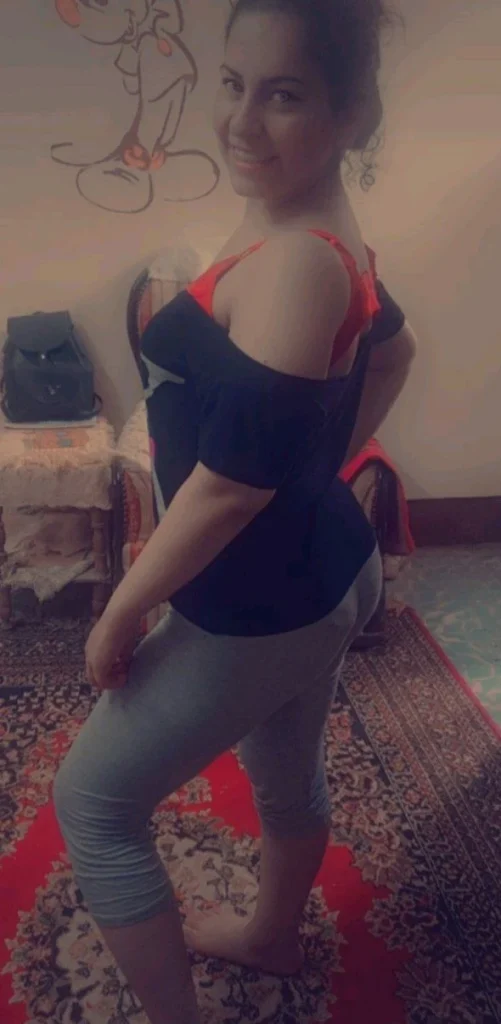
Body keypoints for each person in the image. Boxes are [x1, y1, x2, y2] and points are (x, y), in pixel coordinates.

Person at [54, 2, 415, 1022]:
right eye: (231, 82)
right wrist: (317, 466)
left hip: (258, 608)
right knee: (284, 767)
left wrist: (123, 609)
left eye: (284, 94)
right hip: (329, 567)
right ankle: (268, 937)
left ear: (352, 114)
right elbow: (392, 351)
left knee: (93, 803)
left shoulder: (297, 261)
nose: (241, 121)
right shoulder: (305, 221)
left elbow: (228, 488)